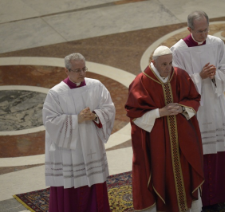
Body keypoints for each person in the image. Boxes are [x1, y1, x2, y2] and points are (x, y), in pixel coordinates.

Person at [171, 11, 225, 209]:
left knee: (217, 153)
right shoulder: (178, 51)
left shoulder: (216, 43)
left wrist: (215, 75)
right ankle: (200, 202)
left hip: (215, 106)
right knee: (197, 155)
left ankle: (220, 198)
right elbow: (176, 84)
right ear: (189, 29)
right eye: (199, 31)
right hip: (196, 111)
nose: (204, 34)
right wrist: (199, 76)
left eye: (206, 29)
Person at [125, 46, 204, 212]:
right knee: (160, 173)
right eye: (163, 64)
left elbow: (194, 98)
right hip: (156, 141)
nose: (168, 68)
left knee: (185, 171)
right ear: (153, 62)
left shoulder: (180, 75)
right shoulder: (142, 81)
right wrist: (159, 112)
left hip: (182, 139)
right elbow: (134, 113)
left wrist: (182, 108)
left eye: (170, 63)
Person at [42, 53, 115, 212]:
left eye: (84, 69)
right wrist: (77, 120)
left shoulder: (96, 86)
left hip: (91, 146)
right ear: (66, 71)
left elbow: (109, 108)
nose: (82, 74)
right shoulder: (56, 93)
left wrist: (96, 115)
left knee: (94, 184)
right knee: (72, 193)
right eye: (77, 70)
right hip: (70, 151)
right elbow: (50, 121)